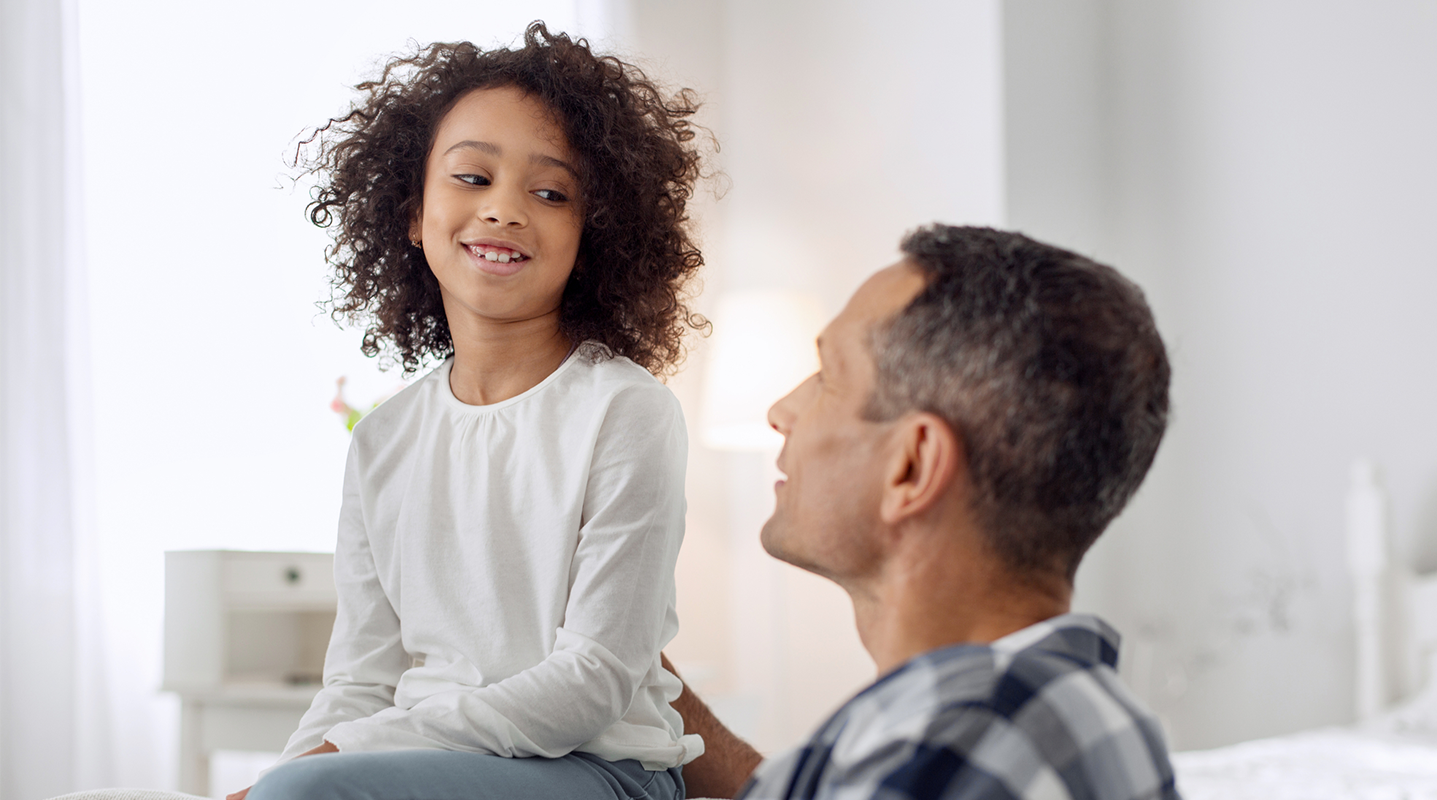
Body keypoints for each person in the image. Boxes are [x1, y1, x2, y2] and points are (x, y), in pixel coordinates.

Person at [234, 22, 708, 800]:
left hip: (600, 770)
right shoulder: (383, 438)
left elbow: (594, 680)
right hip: (422, 761)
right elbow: (358, 680)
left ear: (593, 238)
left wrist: (335, 761)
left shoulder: (626, 412)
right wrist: (286, 772)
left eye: (550, 192)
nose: (504, 211)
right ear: (412, 213)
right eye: (471, 178)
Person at [672, 225, 1179, 800]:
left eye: (828, 377)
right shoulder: (1069, 706)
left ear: (911, 468)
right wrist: (644, 684)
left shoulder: (948, 753)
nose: (781, 409)